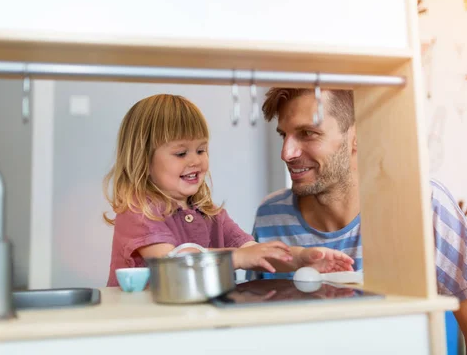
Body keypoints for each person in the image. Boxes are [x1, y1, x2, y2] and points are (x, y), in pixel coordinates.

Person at [251, 87, 467, 354]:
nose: (287, 152)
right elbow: (259, 335)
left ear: (357, 135)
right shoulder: (270, 216)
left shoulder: (423, 204)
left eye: (307, 133)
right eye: (284, 135)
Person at [103, 94, 354, 287]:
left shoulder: (208, 213)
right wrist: (236, 259)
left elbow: (254, 251)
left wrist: (301, 258)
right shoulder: (139, 211)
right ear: (143, 160)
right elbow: (172, 263)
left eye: (201, 150)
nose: (195, 161)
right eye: (181, 153)